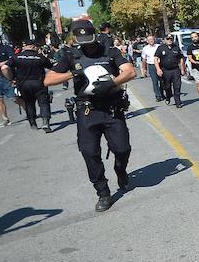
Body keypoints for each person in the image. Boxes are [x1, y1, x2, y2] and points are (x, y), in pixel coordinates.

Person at [45, 19, 136, 212]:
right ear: (75, 38)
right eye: (82, 39)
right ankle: (103, 192)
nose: (86, 43)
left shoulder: (110, 51)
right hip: (87, 111)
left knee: (123, 148)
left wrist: (112, 82)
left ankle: (120, 170)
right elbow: (48, 79)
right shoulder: (71, 56)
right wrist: (72, 74)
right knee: (89, 152)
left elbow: (129, 71)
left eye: (89, 38)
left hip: (112, 109)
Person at [10, 39, 53, 132]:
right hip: (39, 83)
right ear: (34, 47)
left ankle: (33, 124)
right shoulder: (40, 57)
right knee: (44, 103)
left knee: (29, 104)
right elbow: (51, 67)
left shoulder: (16, 57)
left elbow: (5, 67)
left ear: (25, 47)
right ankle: (45, 122)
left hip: (23, 84)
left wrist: (11, 78)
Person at [155, 34, 185, 107]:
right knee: (167, 87)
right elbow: (156, 59)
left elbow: (181, 58)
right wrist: (158, 69)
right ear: (165, 40)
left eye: (171, 38)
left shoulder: (176, 47)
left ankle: (178, 102)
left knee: (177, 86)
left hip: (175, 70)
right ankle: (168, 96)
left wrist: (182, 69)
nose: (169, 40)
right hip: (165, 70)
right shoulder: (160, 48)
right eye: (167, 39)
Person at [140, 35, 162, 101]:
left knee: (162, 81)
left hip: (160, 65)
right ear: (147, 41)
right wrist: (144, 69)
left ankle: (162, 93)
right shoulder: (145, 48)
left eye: (152, 39)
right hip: (151, 65)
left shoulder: (159, 46)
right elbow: (144, 60)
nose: (151, 41)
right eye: (149, 40)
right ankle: (158, 96)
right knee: (155, 81)